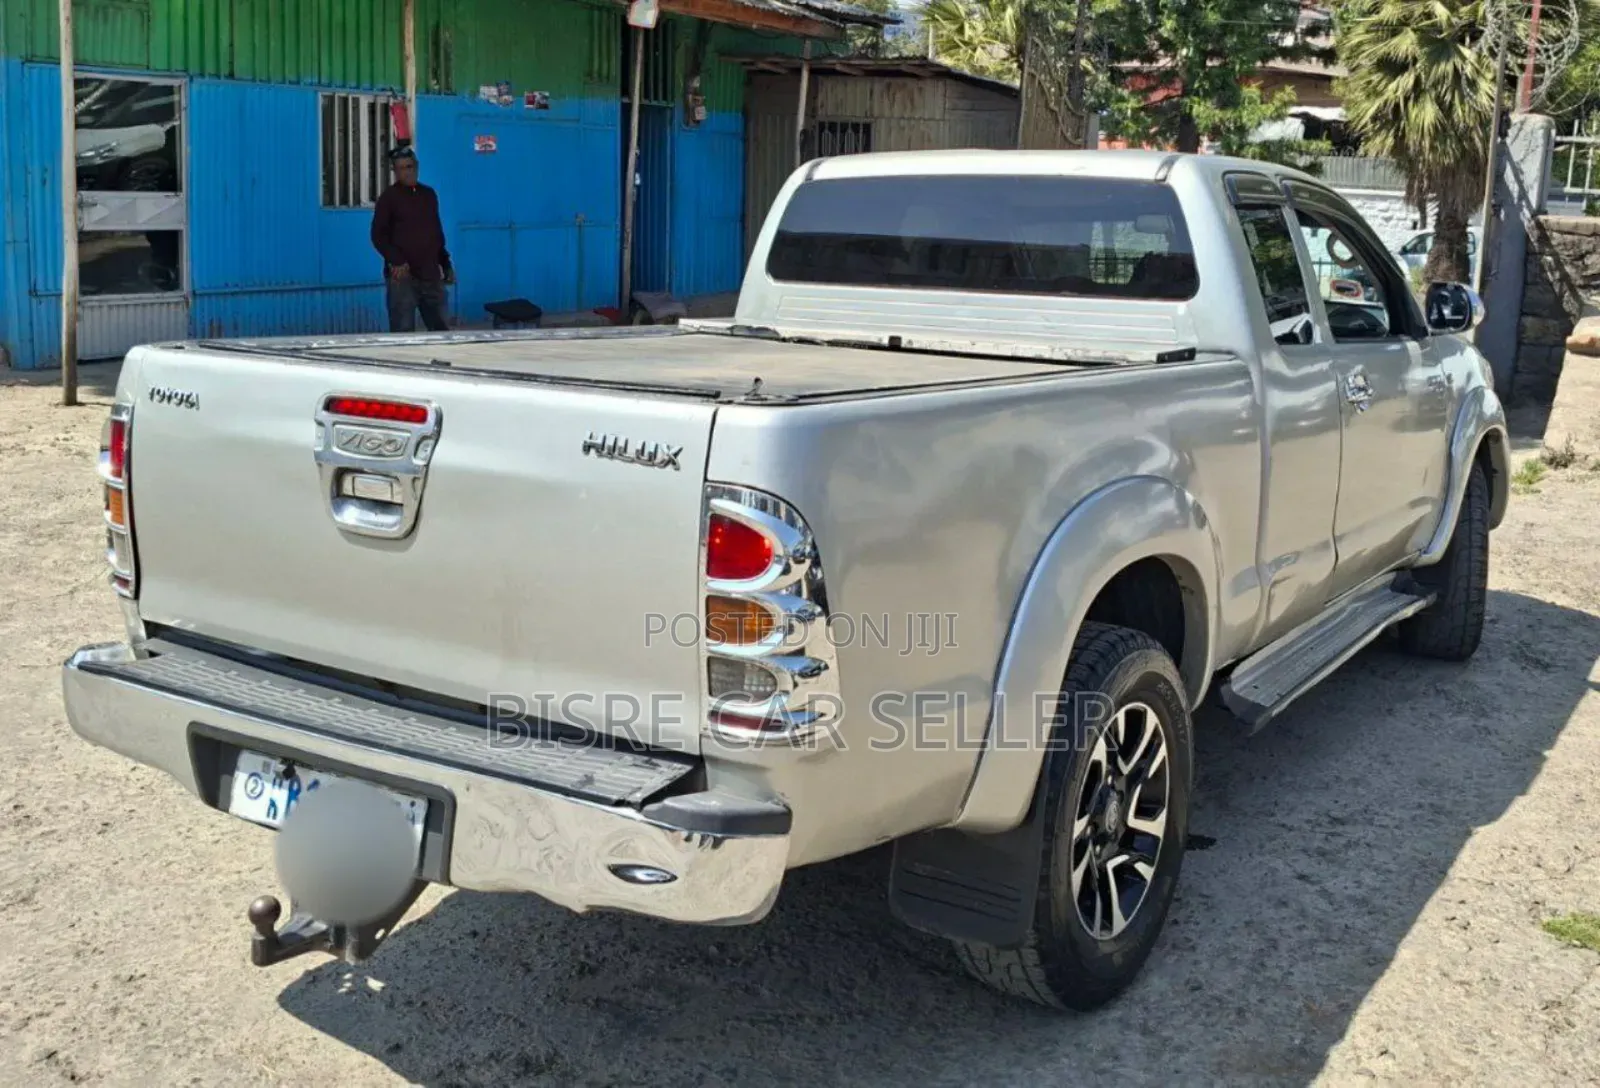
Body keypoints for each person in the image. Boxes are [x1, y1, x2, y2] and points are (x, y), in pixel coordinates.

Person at [371, 147, 454, 332]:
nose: (407, 172)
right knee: (403, 331)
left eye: (410, 167)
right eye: (401, 168)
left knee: (441, 330)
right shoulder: (388, 198)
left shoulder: (428, 195)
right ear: (395, 171)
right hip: (403, 277)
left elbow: (436, 233)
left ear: (416, 167)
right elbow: (378, 235)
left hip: (430, 274)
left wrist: (446, 263)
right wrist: (396, 260)